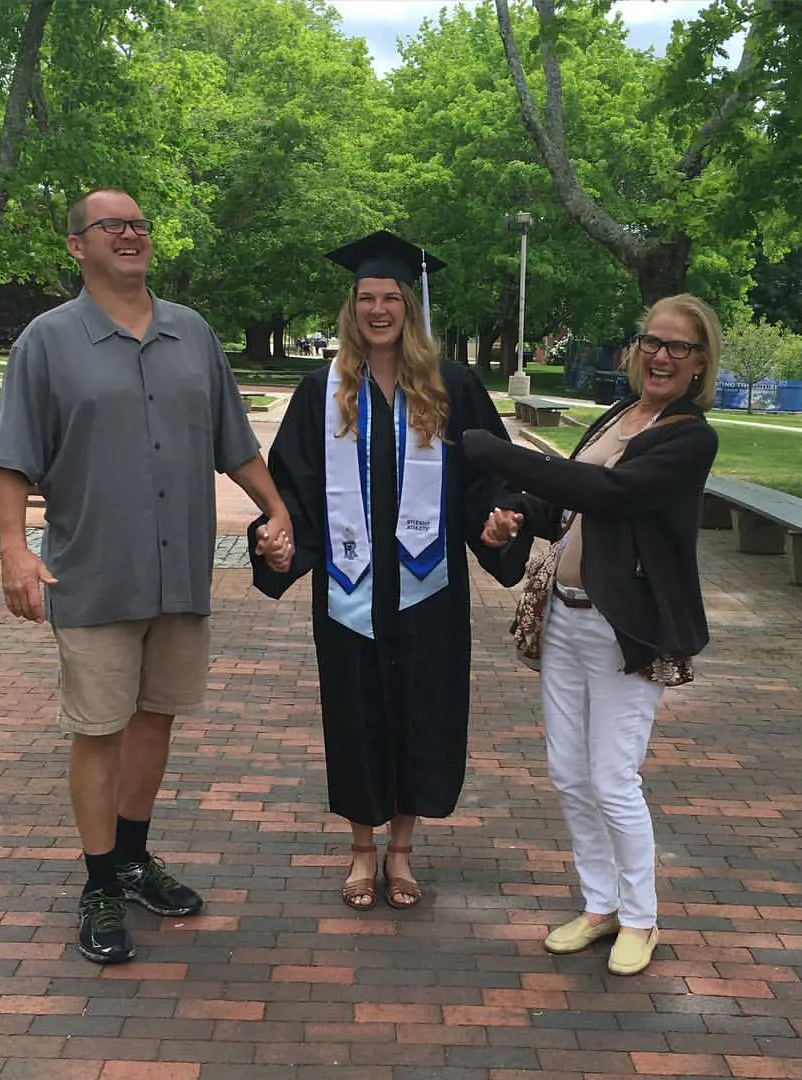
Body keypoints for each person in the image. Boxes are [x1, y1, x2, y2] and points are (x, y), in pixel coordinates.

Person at [0, 187, 293, 965]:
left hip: (180, 571)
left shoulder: (193, 333)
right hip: (92, 571)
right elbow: (11, 460)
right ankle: (98, 883)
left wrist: (275, 509)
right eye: (111, 225)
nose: (131, 234)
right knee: (97, 729)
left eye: (139, 224)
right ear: (76, 247)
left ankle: (132, 855)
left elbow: (235, 441)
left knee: (156, 717)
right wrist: (16, 552)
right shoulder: (47, 342)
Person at [249, 230, 525, 911]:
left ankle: (401, 852)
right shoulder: (322, 391)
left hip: (427, 589)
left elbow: (489, 477)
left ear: (409, 305)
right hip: (350, 589)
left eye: (391, 297)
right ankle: (360, 850)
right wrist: (277, 537)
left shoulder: (451, 386)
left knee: (419, 713)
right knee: (354, 715)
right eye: (367, 297)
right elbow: (293, 486)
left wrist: (496, 519)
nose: (379, 309)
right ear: (353, 307)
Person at [463, 293, 720, 975]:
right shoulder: (618, 414)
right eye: (651, 342)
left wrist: (501, 454)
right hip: (566, 617)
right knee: (568, 775)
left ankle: (641, 918)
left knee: (611, 778)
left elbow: (609, 495)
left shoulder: (688, 435)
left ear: (699, 363)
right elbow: (564, 504)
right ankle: (599, 905)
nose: (661, 356)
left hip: (622, 627)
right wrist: (512, 513)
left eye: (678, 347)